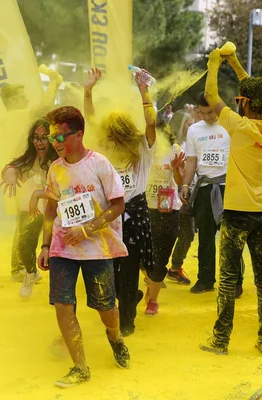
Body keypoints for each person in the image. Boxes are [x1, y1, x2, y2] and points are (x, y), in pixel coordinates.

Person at [38, 106, 130, 388]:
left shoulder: (100, 164)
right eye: (52, 138)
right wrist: (44, 245)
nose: (55, 143)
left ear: (78, 134)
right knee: (63, 305)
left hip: (97, 249)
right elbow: (51, 211)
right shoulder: (55, 169)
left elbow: (118, 204)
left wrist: (87, 229)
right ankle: (80, 366)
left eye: (60, 137)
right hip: (62, 249)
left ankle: (114, 336)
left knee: (106, 307)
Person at [199, 48, 262, 356]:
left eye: (241, 100)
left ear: (245, 103)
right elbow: (256, 91)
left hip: (235, 214)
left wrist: (215, 63)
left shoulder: (238, 125)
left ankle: (220, 341)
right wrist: (235, 63)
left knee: (228, 280)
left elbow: (210, 94)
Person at [84, 68, 162, 336]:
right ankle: (128, 298)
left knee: (128, 268)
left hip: (135, 214)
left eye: (119, 135)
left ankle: (128, 317)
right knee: (110, 270)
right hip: (109, 215)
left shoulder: (142, 149)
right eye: (110, 135)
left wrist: (144, 92)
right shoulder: (102, 152)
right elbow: (90, 121)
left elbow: (151, 123)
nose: (113, 140)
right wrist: (88, 90)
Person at [180, 92, 244, 295]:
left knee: (231, 237)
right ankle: (205, 279)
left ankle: (235, 282)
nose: (208, 117)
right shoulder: (194, 131)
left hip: (228, 187)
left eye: (211, 113)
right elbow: (191, 161)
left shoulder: (231, 124)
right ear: (198, 111)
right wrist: (185, 185)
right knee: (205, 237)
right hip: (204, 188)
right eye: (203, 113)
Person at [0, 120, 58, 298]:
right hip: (43, 211)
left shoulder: (60, 159)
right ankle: (30, 273)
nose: (39, 142)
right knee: (24, 240)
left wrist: (38, 194)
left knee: (59, 251)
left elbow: (65, 192)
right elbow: (13, 166)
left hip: (63, 213)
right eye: (36, 138)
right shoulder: (33, 158)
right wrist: (9, 172)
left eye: (44, 138)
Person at [144, 123, 187, 314]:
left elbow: (179, 180)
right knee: (143, 256)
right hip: (145, 210)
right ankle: (152, 278)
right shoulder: (143, 150)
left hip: (169, 210)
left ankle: (152, 300)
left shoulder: (174, 150)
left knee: (161, 257)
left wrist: (177, 169)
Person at [166, 110, 195, 285]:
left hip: (188, 193)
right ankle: (166, 268)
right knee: (180, 233)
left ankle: (175, 267)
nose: (191, 127)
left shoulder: (189, 142)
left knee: (187, 233)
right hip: (172, 195)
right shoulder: (170, 146)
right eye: (187, 123)